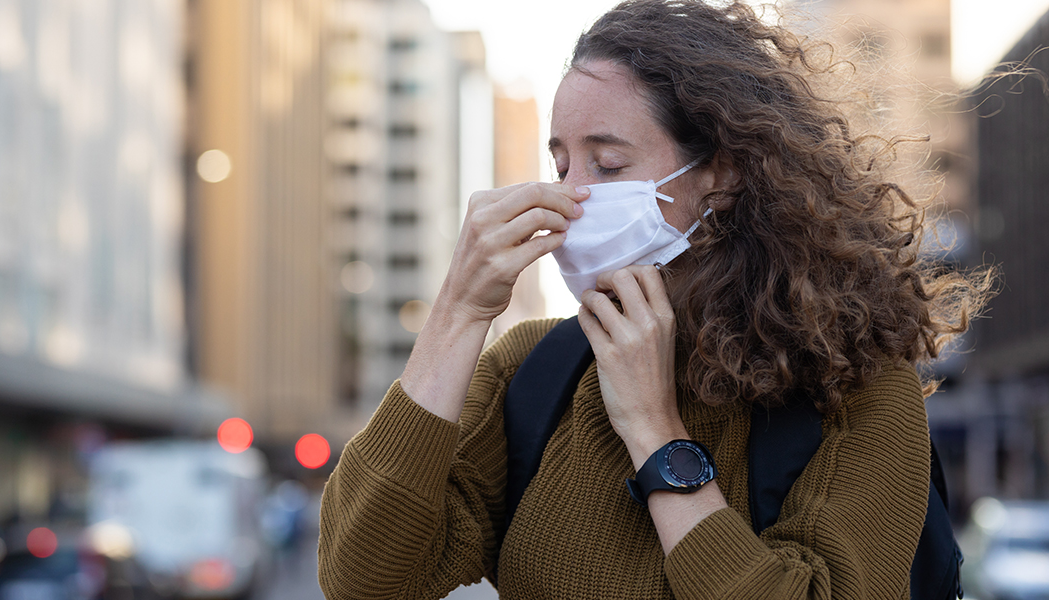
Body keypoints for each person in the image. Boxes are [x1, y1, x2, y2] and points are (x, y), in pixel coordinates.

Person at [318, 1, 991, 598]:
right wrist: (457, 315)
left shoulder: (856, 387)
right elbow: (364, 577)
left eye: (607, 166)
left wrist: (654, 432)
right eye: (560, 165)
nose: (572, 197)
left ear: (721, 177)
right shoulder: (532, 372)